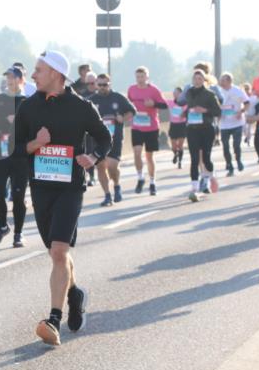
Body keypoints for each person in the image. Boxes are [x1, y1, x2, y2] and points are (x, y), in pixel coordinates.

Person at [14, 50, 111, 346]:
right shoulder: (28, 107)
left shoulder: (81, 107)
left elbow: (105, 138)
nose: (33, 75)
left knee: (59, 251)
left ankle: (53, 319)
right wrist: (36, 143)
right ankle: (74, 294)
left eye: (38, 70)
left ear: (56, 73)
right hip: (41, 188)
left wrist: (92, 157)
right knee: (58, 252)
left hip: (71, 188)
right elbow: (17, 149)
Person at [0, 66, 28, 246]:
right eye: (8, 77)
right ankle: (3, 226)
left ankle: (18, 233)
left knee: (18, 196)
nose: (9, 80)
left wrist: (16, 122)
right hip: (0, 154)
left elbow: (32, 129)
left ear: (21, 80)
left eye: (13, 77)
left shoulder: (27, 102)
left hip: (20, 155)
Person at [88, 74, 136, 206]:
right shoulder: (91, 100)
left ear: (110, 84)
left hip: (115, 137)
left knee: (112, 166)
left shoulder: (118, 98)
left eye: (105, 84)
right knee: (101, 167)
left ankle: (116, 185)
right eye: (100, 85)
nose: (102, 87)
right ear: (97, 84)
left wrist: (123, 118)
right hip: (97, 139)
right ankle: (107, 195)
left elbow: (132, 111)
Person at [127, 66, 168, 195]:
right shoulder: (131, 90)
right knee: (137, 152)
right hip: (137, 126)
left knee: (149, 156)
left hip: (151, 127)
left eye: (142, 76)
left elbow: (164, 105)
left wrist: (153, 105)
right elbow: (127, 103)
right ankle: (140, 177)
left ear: (147, 77)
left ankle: (152, 181)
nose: (140, 79)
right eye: (138, 77)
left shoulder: (154, 90)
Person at [184, 69, 222, 202]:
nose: (197, 81)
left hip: (206, 129)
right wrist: (185, 113)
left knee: (206, 158)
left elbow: (217, 111)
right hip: (192, 128)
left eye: (200, 79)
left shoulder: (210, 94)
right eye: (195, 79)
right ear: (192, 80)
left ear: (204, 80)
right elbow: (185, 105)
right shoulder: (188, 92)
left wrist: (205, 110)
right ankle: (194, 188)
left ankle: (211, 177)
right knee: (194, 159)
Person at [218, 72, 247, 175]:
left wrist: (241, 111)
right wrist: (218, 115)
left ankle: (238, 160)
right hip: (224, 123)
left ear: (229, 81)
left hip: (237, 122)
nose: (221, 82)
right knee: (225, 146)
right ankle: (229, 165)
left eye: (223, 80)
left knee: (236, 144)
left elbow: (247, 103)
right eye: (220, 80)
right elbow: (214, 106)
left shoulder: (238, 91)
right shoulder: (219, 92)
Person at [168, 87, 188, 169]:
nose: (174, 94)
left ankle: (180, 161)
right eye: (174, 93)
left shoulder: (185, 103)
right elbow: (160, 100)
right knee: (173, 146)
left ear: (181, 94)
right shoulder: (170, 102)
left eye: (176, 93)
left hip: (182, 125)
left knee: (180, 145)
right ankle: (175, 154)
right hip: (173, 125)